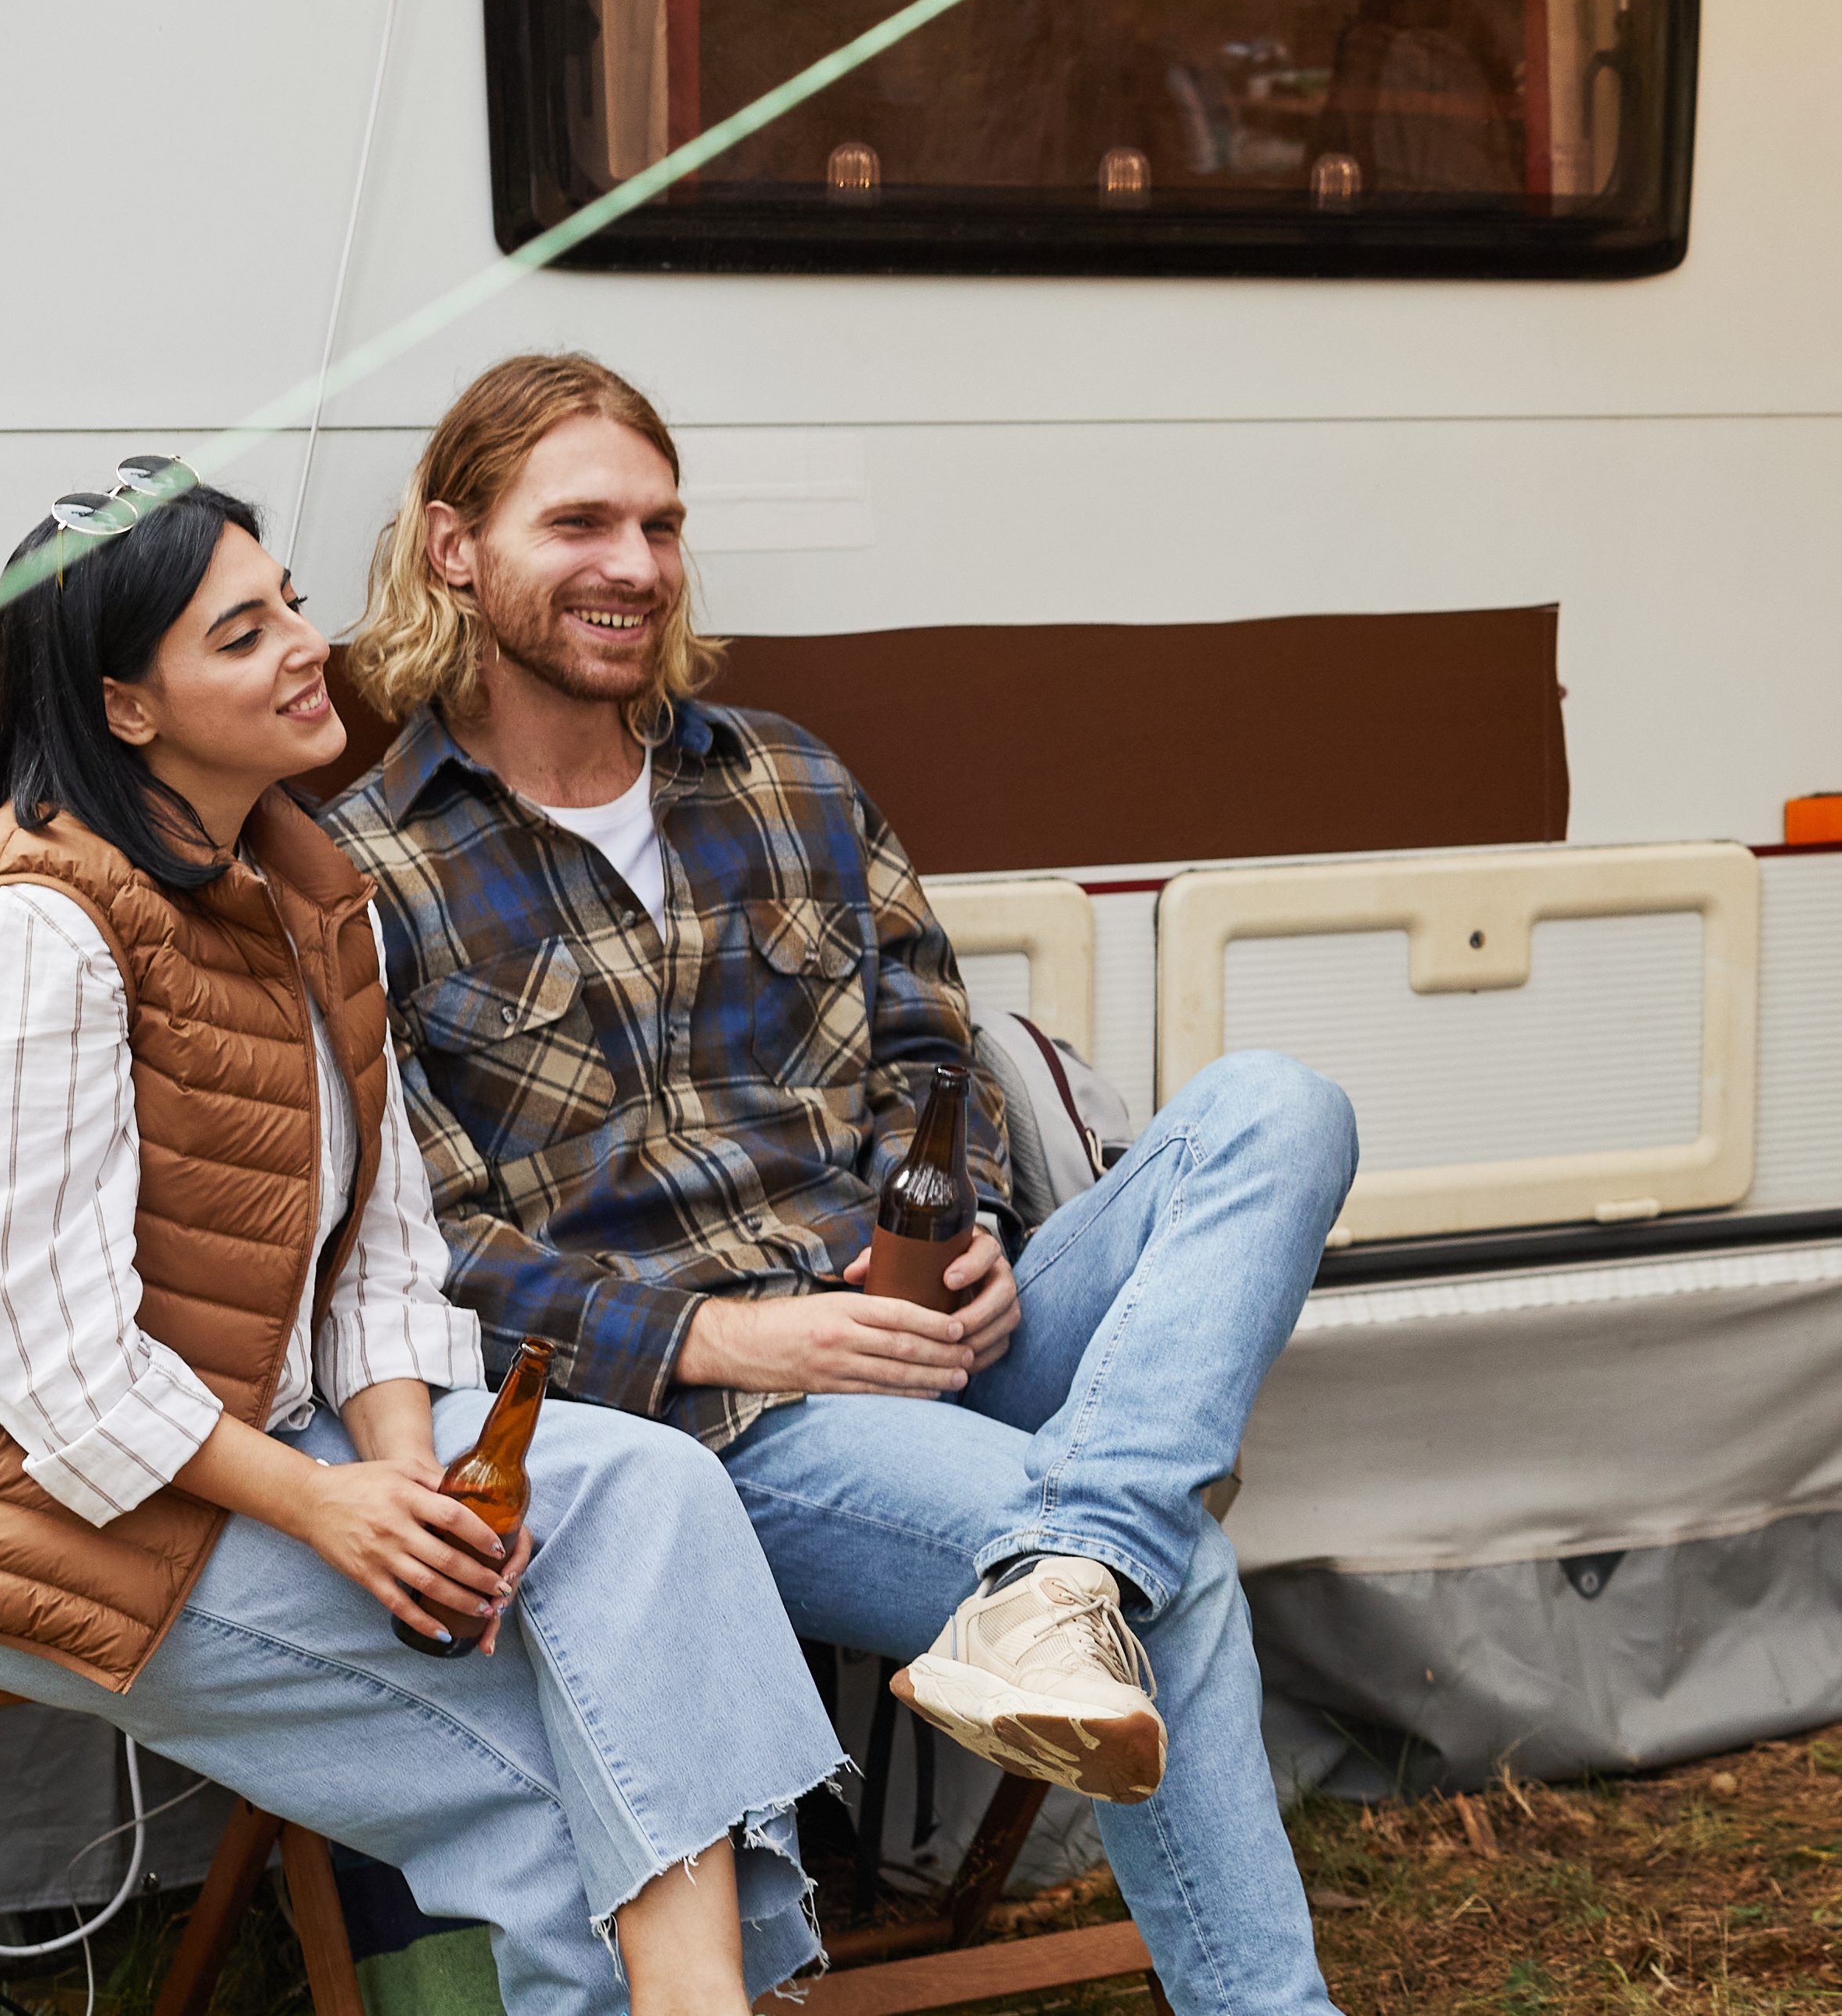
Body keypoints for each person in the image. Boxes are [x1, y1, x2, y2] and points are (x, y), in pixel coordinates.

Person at [321, 356, 1360, 2016]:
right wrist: (741, 1341)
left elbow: (929, 1051)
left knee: (1276, 1108)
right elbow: (422, 1247)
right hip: (719, 1426)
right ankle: (1100, 1602)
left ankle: (1069, 1556)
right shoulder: (363, 871)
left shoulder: (787, 776)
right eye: (579, 520)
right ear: (453, 547)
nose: (637, 564)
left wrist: (976, 1237)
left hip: (920, 1316)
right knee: (1175, 1583)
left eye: (661, 523)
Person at [0, 460, 833, 2016]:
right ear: (127, 707)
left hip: (252, 1450)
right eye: (242, 632)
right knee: (529, 1776)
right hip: (13, 1507)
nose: (308, 639)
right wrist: (328, 1505)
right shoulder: (31, 927)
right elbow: (42, 1353)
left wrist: (402, 1468)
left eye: (286, 597)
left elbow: (379, 1250)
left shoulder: (304, 886)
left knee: (659, 1490)